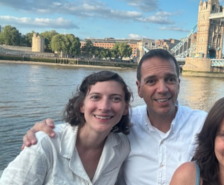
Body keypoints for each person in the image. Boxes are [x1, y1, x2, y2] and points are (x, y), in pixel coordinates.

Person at [20, 49, 208, 185]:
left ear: (179, 83)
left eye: (170, 79)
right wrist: (40, 131)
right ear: (139, 88)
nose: (163, 89)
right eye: (151, 81)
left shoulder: (205, 124)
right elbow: (89, 126)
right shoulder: (120, 121)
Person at [0, 71, 131, 184]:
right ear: (81, 105)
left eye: (115, 99)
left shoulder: (122, 148)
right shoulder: (46, 144)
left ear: (125, 108)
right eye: (95, 97)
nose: (104, 107)